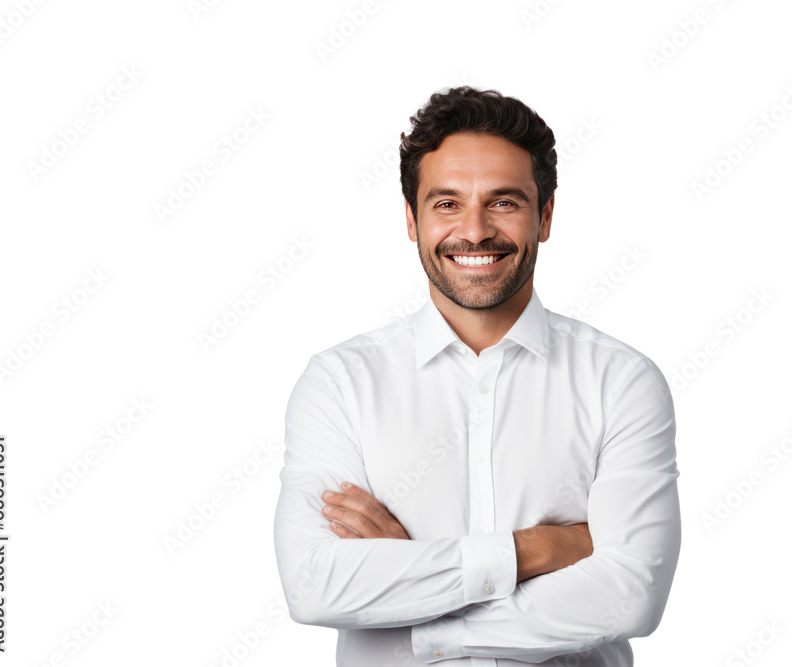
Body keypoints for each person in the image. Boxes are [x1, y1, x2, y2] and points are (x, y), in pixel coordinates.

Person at [273, 86, 681, 666]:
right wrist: (538, 549)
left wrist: (414, 591)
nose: (475, 231)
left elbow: (631, 596)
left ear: (544, 216)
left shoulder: (620, 381)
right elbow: (314, 584)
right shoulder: (339, 384)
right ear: (412, 221)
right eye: (446, 204)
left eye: (504, 202)